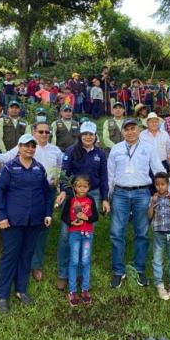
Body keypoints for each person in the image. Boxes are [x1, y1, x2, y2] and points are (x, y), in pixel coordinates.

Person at [0, 121, 63, 281]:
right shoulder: (26, 146)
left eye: (47, 132)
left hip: (45, 191)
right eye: (41, 131)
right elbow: (6, 157)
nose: (44, 134)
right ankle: (17, 263)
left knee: (41, 230)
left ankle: (36, 265)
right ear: (34, 132)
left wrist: (58, 184)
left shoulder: (56, 150)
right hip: (22, 191)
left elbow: (61, 168)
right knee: (20, 229)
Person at [107, 119, 170, 289]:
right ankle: (118, 270)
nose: (130, 132)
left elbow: (158, 169)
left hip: (142, 193)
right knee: (117, 232)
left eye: (133, 128)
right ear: (123, 132)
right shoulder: (116, 149)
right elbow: (110, 174)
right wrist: (107, 197)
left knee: (142, 232)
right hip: (120, 193)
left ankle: (139, 268)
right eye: (127, 129)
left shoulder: (148, 148)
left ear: (139, 130)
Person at [0, 134, 54, 313]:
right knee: (10, 256)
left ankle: (21, 289)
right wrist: (1, 217)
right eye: (26, 145)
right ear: (19, 147)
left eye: (32, 146)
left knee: (27, 255)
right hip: (13, 220)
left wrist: (48, 213)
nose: (30, 149)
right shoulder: (9, 168)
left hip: (34, 220)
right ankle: (1, 295)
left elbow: (47, 193)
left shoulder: (39, 168)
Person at [54, 121, 109, 290]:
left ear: (95, 136)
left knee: (85, 233)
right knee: (66, 235)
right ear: (80, 135)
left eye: (91, 134)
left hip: (92, 195)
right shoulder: (71, 151)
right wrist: (64, 191)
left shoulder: (100, 153)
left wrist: (105, 198)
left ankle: (79, 273)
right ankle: (63, 273)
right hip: (73, 195)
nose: (88, 137)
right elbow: (64, 173)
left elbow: (104, 176)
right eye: (85, 134)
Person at [60, 175, 99, 306]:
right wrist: (72, 222)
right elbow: (64, 216)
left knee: (85, 261)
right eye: (79, 186)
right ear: (75, 187)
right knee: (74, 261)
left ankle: (85, 289)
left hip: (87, 234)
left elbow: (96, 216)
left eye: (85, 186)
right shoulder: (71, 199)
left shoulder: (90, 199)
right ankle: (72, 291)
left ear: (89, 187)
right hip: (75, 234)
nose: (82, 189)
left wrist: (87, 218)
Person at [148, 172, 170, 301]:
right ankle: (159, 284)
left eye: (163, 184)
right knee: (157, 259)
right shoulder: (153, 198)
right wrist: (152, 204)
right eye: (157, 184)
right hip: (158, 233)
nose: (160, 187)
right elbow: (149, 216)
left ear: (168, 184)